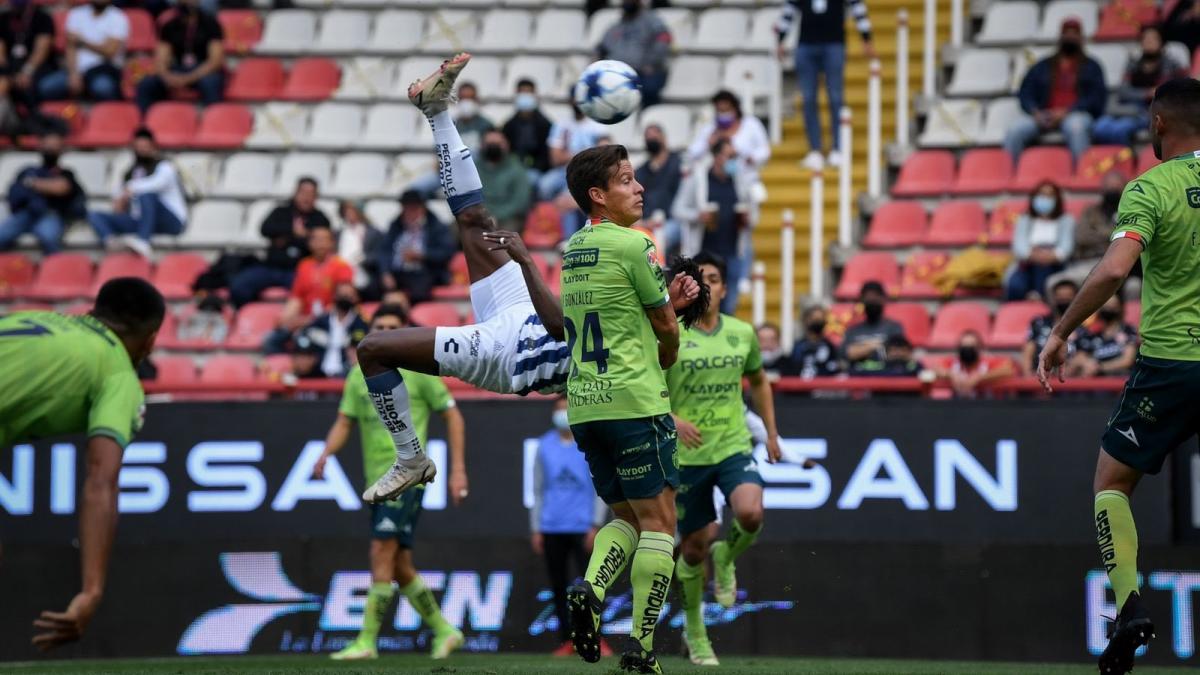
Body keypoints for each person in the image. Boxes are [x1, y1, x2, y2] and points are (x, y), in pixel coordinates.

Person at [345, 53, 697, 509]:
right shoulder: (622, 267)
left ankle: (411, 458)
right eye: (627, 180)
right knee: (474, 219)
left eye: (679, 292)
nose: (669, 285)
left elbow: (561, 330)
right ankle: (437, 112)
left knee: (374, 349)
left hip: (508, 355)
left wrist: (528, 262)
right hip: (520, 314)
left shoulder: (645, 342)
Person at [1036, 78, 1200, 675]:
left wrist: (1060, 333)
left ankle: (1129, 606)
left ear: (1158, 125)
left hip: (1171, 365)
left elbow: (1112, 272)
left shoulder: (1150, 186)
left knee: (1112, 480)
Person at [555, 137, 688, 674]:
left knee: (627, 516)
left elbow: (616, 311)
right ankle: (640, 646)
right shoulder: (637, 245)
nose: (639, 187)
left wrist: (660, 307)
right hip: (635, 399)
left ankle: (590, 586)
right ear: (598, 196)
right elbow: (662, 327)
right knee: (661, 525)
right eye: (627, 180)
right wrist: (673, 335)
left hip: (586, 407)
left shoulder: (571, 251)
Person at [0, 278, 164, 651]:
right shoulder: (117, 372)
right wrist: (91, 590)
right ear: (151, 340)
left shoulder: (31, 320)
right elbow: (100, 481)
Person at [312, 303, 467, 661]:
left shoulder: (421, 372)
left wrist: (457, 470)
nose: (383, 331)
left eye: (391, 326)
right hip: (376, 481)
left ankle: (367, 641)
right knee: (399, 565)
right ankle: (445, 629)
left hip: (407, 479)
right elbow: (344, 422)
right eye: (378, 326)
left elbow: (453, 417)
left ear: (403, 331)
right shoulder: (357, 375)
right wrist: (325, 453)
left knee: (380, 551)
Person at [667, 251, 781, 667]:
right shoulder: (670, 332)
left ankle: (727, 557)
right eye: (700, 279)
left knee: (750, 513)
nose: (708, 286)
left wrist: (769, 432)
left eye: (714, 278)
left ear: (725, 287)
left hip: (732, 443)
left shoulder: (742, 332)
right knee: (694, 547)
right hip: (687, 454)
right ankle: (695, 631)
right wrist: (672, 419)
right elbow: (645, 385)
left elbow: (759, 381)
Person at [530, 396, 607, 657]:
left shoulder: (589, 444)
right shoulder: (544, 445)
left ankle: (597, 638)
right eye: (558, 410)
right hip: (552, 526)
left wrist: (596, 524)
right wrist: (536, 528)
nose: (562, 414)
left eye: (566, 409)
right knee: (558, 586)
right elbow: (538, 490)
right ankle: (568, 640)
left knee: (593, 586)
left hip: (583, 526)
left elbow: (600, 488)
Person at [774, 0, 875, 169]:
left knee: (835, 97)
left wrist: (866, 38)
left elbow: (858, 8)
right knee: (808, 98)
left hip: (834, 44)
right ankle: (815, 150)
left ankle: (838, 148)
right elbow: (788, 11)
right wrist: (780, 40)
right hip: (806, 45)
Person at [1004, 18, 1106, 162]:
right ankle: (1010, 178)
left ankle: (1081, 178)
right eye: (1067, 33)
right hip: (1044, 115)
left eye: (1074, 34)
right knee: (1015, 131)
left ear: (1081, 38)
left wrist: (1068, 111)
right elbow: (1025, 92)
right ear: (1060, 37)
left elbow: (1096, 98)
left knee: (1076, 128)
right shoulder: (1043, 66)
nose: (1070, 37)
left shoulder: (1092, 66)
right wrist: (1035, 111)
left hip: (1075, 115)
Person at [672, 138, 753, 313]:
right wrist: (697, 215)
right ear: (716, 156)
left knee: (728, 307)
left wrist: (748, 218)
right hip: (704, 254)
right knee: (700, 306)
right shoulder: (698, 179)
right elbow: (677, 209)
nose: (733, 160)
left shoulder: (740, 181)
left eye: (735, 156)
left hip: (732, 253)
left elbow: (752, 215)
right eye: (729, 155)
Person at [229, 177, 332, 307]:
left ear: (316, 196)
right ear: (295, 193)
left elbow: (319, 244)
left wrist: (286, 238)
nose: (306, 197)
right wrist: (293, 232)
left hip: (298, 270)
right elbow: (265, 229)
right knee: (240, 286)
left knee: (310, 293)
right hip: (271, 267)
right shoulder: (281, 211)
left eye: (311, 194)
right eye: (303, 193)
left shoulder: (321, 218)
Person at [88, 127, 188, 258]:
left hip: (171, 221)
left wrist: (131, 188)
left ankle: (143, 241)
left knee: (146, 195)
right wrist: (121, 199)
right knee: (94, 215)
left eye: (145, 146)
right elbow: (118, 196)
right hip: (141, 221)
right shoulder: (130, 172)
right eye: (138, 146)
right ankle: (112, 244)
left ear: (153, 146)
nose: (142, 149)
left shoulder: (164, 166)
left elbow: (157, 184)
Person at [263, 224, 354, 354]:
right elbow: (296, 298)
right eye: (316, 239)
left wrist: (309, 320)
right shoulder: (304, 265)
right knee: (271, 339)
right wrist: (285, 319)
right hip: (306, 320)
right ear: (309, 243)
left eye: (324, 239)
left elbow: (343, 303)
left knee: (304, 338)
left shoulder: (341, 266)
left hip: (329, 322)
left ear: (332, 242)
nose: (320, 243)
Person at [1092, 26, 1189, 146]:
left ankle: (1125, 160)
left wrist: (1156, 93)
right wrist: (1147, 93)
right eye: (1145, 39)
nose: (1149, 42)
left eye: (1153, 39)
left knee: (1121, 129)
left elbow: (1180, 92)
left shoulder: (1173, 66)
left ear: (1162, 43)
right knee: (1099, 126)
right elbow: (1123, 91)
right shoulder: (1133, 65)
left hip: (1151, 113)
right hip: (1129, 109)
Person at [133, 0, 225, 113]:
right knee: (147, 84)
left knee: (210, 82)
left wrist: (187, 78)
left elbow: (215, 61)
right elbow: (161, 59)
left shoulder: (211, 24)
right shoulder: (169, 26)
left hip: (202, 71)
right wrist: (167, 76)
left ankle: (213, 121)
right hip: (178, 69)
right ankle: (145, 123)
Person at [0, 131, 83, 253]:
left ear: (61, 150)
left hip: (50, 214)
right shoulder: (28, 170)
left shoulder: (66, 172)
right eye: (47, 145)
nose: (49, 149)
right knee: (2, 235)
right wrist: (47, 186)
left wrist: (33, 184)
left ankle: (53, 270)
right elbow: (15, 192)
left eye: (54, 146)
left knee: (48, 237)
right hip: (26, 213)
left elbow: (61, 188)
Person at [1047, 171, 1127, 294]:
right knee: (1054, 282)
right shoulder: (1090, 211)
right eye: (1109, 187)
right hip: (1088, 261)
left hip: (1118, 264)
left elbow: (1126, 240)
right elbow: (1082, 237)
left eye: (1116, 187)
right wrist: (1112, 235)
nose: (1112, 191)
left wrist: (1098, 231)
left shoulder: (1129, 213)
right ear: (1102, 189)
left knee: (1134, 286)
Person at [38, 0, 128, 101]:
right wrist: (73, 74)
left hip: (102, 71)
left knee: (103, 88)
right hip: (77, 70)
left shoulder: (118, 17)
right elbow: (70, 47)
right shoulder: (76, 14)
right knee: (46, 87)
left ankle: (103, 113)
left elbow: (110, 51)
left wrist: (82, 41)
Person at [378, 190, 456, 305]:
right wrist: (385, 272)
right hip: (398, 272)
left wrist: (421, 256)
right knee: (372, 288)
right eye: (406, 208)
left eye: (414, 208)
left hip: (425, 272)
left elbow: (446, 252)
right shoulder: (395, 226)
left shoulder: (437, 227)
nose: (410, 212)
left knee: (419, 291)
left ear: (422, 208)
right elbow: (383, 251)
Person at [1005, 180, 1075, 301]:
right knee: (1015, 285)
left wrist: (1048, 256)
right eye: (1041, 194)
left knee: (1044, 271)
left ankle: (1039, 297)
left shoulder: (1066, 220)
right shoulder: (1024, 219)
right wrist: (1034, 255)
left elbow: (1066, 248)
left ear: (1056, 199)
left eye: (1049, 195)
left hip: (1055, 266)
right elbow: (1019, 246)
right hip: (1028, 265)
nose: (1045, 199)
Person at [595, 0, 672, 107]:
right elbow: (602, 48)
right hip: (619, 73)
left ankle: (646, 115)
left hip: (646, 72)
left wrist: (652, 63)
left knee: (649, 88)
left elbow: (664, 39)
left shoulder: (651, 21)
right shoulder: (616, 26)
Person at [302, 281, 370, 378]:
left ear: (356, 298)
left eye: (348, 295)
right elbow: (306, 337)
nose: (345, 298)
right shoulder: (321, 321)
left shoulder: (362, 324)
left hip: (347, 374)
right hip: (318, 373)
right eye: (342, 295)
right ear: (335, 296)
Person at [0, 0, 58, 108]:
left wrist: (27, 71)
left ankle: (32, 117)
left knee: (26, 85)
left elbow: (41, 51)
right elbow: (1, 54)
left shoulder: (42, 18)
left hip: (36, 68)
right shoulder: (3, 19)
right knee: (3, 82)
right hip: (11, 67)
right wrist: (8, 74)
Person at [635, 124, 682, 255]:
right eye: (647, 138)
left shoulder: (678, 164)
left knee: (658, 239)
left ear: (664, 139)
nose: (651, 140)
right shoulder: (640, 171)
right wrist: (644, 222)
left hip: (674, 220)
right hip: (647, 222)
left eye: (654, 137)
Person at [1067, 294, 1138, 378]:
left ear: (1120, 308)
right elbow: (1079, 357)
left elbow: (1127, 361)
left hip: (1120, 381)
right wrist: (1087, 363)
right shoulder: (1091, 334)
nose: (1108, 310)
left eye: (1113, 306)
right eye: (1106, 307)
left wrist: (1100, 367)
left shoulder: (1128, 331)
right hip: (1095, 383)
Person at [475, 129, 532, 231]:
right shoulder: (473, 168)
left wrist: (497, 216)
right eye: (489, 143)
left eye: (498, 143)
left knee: (506, 234)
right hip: (480, 216)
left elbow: (520, 202)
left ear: (506, 145)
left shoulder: (516, 168)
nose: (493, 147)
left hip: (508, 217)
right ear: (482, 145)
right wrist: (485, 215)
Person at [1021, 278, 1079, 376]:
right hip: (1038, 377)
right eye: (1060, 297)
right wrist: (1028, 377)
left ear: (1076, 298)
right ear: (1053, 298)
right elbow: (1028, 351)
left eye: (1068, 297)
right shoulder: (1039, 322)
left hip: (1070, 381)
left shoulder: (1082, 327)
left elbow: (1083, 357)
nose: (1063, 300)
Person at [841, 281, 904, 368]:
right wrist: (875, 346)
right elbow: (846, 354)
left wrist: (860, 349)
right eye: (868, 297)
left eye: (875, 296)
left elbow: (898, 353)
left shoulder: (894, 327)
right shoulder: (852, 330)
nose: (871, 300)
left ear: (883, 299)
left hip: (886, 377)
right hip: (857, 377)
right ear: (861, 301)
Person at [935, 330, 1014, 398]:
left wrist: (979, 377)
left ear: (979, 348)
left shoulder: (987, 363)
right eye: (964, 347)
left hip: (985, 408)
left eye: (972, 346)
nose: (967, 350)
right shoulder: (953, 363)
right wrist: (951, 374)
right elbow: (936, 369)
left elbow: (1009, 369)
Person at [502, 78, 553, 181]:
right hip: (514, 168)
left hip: (538, 170)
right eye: (522, 93)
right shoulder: (509, 125)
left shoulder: (545, 124)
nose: (525, 96)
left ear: (535, 96)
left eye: (528, 93)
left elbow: (547, 154)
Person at [337, 199, 385, 300]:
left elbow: (380, 254)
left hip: (365, 279)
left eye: (352, 210)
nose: (349, 214)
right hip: (342, 278)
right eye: (346, 211)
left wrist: (364, 259)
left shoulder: (374, 232)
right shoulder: (338, 233)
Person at [790, 305, 841, 378]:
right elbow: (794, 368)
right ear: (806, 320)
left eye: (820, 319)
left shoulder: (830, 346)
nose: (818, 322)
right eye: (815, 319)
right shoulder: (798, 346)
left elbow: (835, 369)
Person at [850, 333, 920, 376]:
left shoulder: (915, 366)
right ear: (886, 353)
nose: (898, 354)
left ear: (909, 352)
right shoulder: (877, 365)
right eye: (894, 351)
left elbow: (924, 374)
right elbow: (855, 371)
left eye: (902, 351)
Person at [452, 81, 493, 153]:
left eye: (470, 98)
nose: (466, 102)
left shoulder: (486, 125)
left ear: (476, 100)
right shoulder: (451, 126)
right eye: (463, 98)